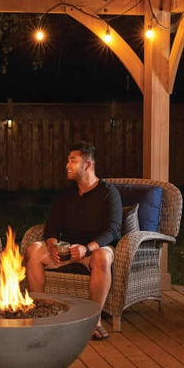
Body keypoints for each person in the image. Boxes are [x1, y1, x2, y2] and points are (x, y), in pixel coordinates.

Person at [23, 141, 121, 340]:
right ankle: (40, 309)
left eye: (72, 161)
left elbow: (113, 229)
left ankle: (95, 319)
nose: (67, 166)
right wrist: (51, 244)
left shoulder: (108, 193)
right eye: (68, 161)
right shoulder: (66, 194)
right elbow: (51, 226)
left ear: (87, 165)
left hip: (94, 250)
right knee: (33, 250)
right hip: (65, 251)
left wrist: (87, 248)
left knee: (103, 257)